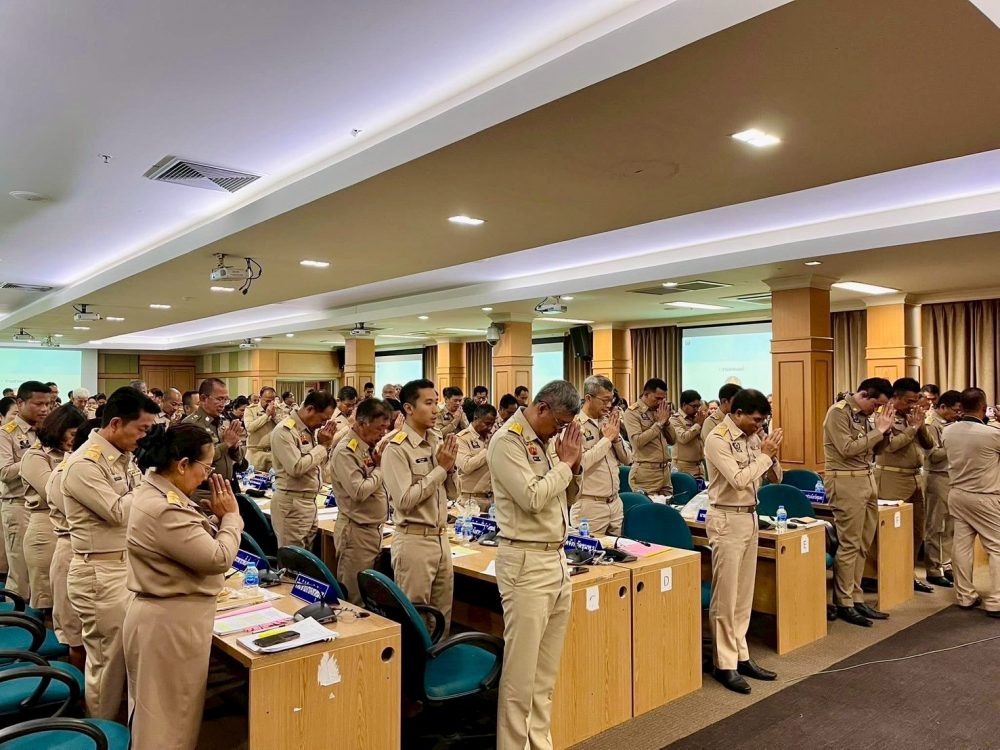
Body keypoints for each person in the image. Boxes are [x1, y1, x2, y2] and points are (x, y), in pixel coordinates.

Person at [124, 426, 243, 749]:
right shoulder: (164, 507)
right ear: (182, 464)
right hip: (169, 625)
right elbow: (218, 558)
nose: (207, 476)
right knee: (167, 727)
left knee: (164, 717)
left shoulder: (158, 492)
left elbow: (188, 543)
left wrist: (214, 521)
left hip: (166, 617)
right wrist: (231, 518)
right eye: (206, 467)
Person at [488, 380, 582, 748]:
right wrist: (566, 463)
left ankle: (539, 743)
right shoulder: (507, 441)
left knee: (544, 676)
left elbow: (564, 497)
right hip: (525, 562)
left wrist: (574, 466)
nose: (560, 431)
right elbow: (532, 498)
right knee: (521, 677)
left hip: (556, 559)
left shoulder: (544, 443)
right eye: (559, 423)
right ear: (541, 408)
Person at [63, 387, 158, 719]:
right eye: (141, 429)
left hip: (124, 566)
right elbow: (118, 512)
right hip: (99, 574)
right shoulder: (84, 464)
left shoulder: (122, 457)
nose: (144, 437)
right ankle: (100, 731)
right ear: (116, 423)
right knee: (106, 663)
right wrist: (152, 483)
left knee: (126, 658)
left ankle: (122, 729)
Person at [704, 389, 783, 694]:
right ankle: (724, 664)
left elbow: (774, 478)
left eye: (763, 421)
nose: (759, 425)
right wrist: (764, 455)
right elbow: (738, 480)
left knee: (743, 595)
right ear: (738, 414)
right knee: (726, 596)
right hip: (726, 518)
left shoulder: (753, 437)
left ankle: (740, 654)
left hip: (750, 517)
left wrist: (770, 455)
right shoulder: (718, 439)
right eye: (756, 420)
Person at [382, 379, 458, 631]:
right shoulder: (396, 448)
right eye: (428, 403)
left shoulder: (437, 440)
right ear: (409, 408)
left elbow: (454, 492)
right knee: (415, 620)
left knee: (442, 618)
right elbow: (404, 501)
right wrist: (440, 469)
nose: (435, 410)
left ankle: (441, 657)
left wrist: (450, 469)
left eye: (436, 403)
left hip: (441, 539)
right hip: (414, 540)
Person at [823, 378, 895, 627]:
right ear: (864, 394)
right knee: (849, 544)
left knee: (864, 543)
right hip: (845, 480)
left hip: (867, 478)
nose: (876, 410)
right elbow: (847, 448)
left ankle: (856, 596)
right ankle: (844, 602)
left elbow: (878, 450)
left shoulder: (866, 416)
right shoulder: (838, 412)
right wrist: (878, 431)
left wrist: (886, 431)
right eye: (875, 404)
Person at [942, 388, 1000, 617]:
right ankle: (996, 601)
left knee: (961, 546)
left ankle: (965, 596)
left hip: (957, 494)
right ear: (983, 407)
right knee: (997, 547)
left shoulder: (947, 431)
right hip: (985, 496)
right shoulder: (992, 434)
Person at [22, 404, 85, 614]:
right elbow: (53, 493)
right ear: (59, 429)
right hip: (45, 528)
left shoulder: (75, 454)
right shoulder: (36, 456)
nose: (75, 440)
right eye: (72, 434)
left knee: (69, 602)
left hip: (70, 528)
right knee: (49, 602)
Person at [875, 377, 935, 593]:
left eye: (915, 400)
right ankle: (889, 577)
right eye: (909, 401)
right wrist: (912, 429)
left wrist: (920, 426)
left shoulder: (913, 417)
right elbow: (889, 447)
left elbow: (929, 444)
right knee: (893, 532)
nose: (913, 405)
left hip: (915, 479)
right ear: (895, 398)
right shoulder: (883, 416)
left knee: (917, 532)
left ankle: (908, 574)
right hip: (892, 479)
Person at [329, 398, 392, 604]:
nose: (383, 433)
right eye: (379, 428)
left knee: (369, 596)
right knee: (353, 598)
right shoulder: (346, 450)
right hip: (356, 531)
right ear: (362, 423)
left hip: (373, 529)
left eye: (386, 427)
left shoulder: (367, 446)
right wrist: (380, 469)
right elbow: (359, 491)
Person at [0, 380, 52, 597]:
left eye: (48, 404)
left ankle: (43, 609)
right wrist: (34, 460)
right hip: (19, 505)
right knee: (20, 567)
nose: (44, 409)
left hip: (46, 506)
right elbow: (4, 473)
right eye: (38, 404)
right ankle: (17, 611)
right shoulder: (6, 433)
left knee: (44, 567)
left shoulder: (48, 430)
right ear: (20, 403)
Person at [269, 391, 336, 548]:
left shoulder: (309, 432)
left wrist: (324, 446)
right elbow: (296, 467)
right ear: (310, 409)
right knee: (292, 558)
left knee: (306, 556)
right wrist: (322, 446)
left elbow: (316, 467)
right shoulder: (285, 431)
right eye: (323, 419)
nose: (323, 424)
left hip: (309, 502)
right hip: (292, 504)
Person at [570, 375, 632, 536]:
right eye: (604, 400)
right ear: (588, 398)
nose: (609, 405)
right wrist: (606, 440)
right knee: (590, 550)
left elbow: (628, 459)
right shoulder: (574, 425)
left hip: (615, 502)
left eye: (611, 400)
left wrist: (616, 439)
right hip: (589, 506)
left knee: (618, 550)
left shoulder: (608, 422)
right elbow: (580, 464)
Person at [182, 379, 245, 504]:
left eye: (226, 400)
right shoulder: (192, 424)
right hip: (203, 492)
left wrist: (234, 446)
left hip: (225, 490)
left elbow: (238, 459)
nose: (223, 404)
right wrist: (226, 444)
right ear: (203, 398)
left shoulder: (223, 421)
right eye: (219, 399)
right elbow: (198, 458)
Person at [922, 390, 962, 587]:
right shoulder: (931, 424)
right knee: (936, 526)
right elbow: (933, 455)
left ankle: (946, 564)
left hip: (952, 477)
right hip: (937, 477)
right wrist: (954, 443)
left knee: (950, 526)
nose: (957, 414)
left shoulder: (952, 424)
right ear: (943, 407)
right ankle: (933, 569)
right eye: (955, 410)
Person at [623, 378, 675, 496]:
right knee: (649, 505)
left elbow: (673, 440)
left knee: (667, 505)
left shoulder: (660, 411)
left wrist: (666, 422)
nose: (661, 402)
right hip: (646, 473)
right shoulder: (632, 413)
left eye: (663, 398)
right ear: (646, 394)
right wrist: (659, 423)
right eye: (658, 398)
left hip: (665, 472)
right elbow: (637, 442)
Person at [455, 404, 498, 513]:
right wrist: (487, 449)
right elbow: (466, 466)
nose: (490, 428)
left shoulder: (492, 437)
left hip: (493, 498)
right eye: (487, 423)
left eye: (492, 424)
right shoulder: (462, 438)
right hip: (471, 499)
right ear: (476, 419)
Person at [702, 384, 743, 479]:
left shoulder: (738, 419)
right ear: (724, 401)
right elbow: (713, 450)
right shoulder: (711, 422)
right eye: (736, 401)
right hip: (721, 474)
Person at [670, 389, 708, 478]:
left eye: (698, 406)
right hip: (683, 468)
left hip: (699, 466)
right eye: (694, 406)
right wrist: (698, 424)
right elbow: (682, 438)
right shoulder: (675, 419)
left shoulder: (696, 418)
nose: (697, 409)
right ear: (684, 405)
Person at [244, 387, 279, 471]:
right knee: (254, 478)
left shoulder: (278, 409)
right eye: (267, 401)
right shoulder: (250, 410)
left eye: (272, 400)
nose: (270, 403)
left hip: (273, 453)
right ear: (260, 398)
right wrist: (266, 416)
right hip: (255, 454)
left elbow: (286, 427)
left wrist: (274, 416)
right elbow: (250, 427)